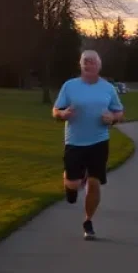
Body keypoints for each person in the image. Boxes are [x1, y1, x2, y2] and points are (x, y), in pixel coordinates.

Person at [52, 50, 125, 240]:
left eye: (93, 62)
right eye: (86, 61)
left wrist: (112, 118)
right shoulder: (69, 86)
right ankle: (71, 183)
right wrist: (62, 114)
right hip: (74, 142)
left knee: (94, 182)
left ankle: (88, 220)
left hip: (99, 141)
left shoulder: (108, 88)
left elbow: (119, 112)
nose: (89, 64)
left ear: (99, 66)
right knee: (74, 185)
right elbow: (55, 110)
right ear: (81, 65)